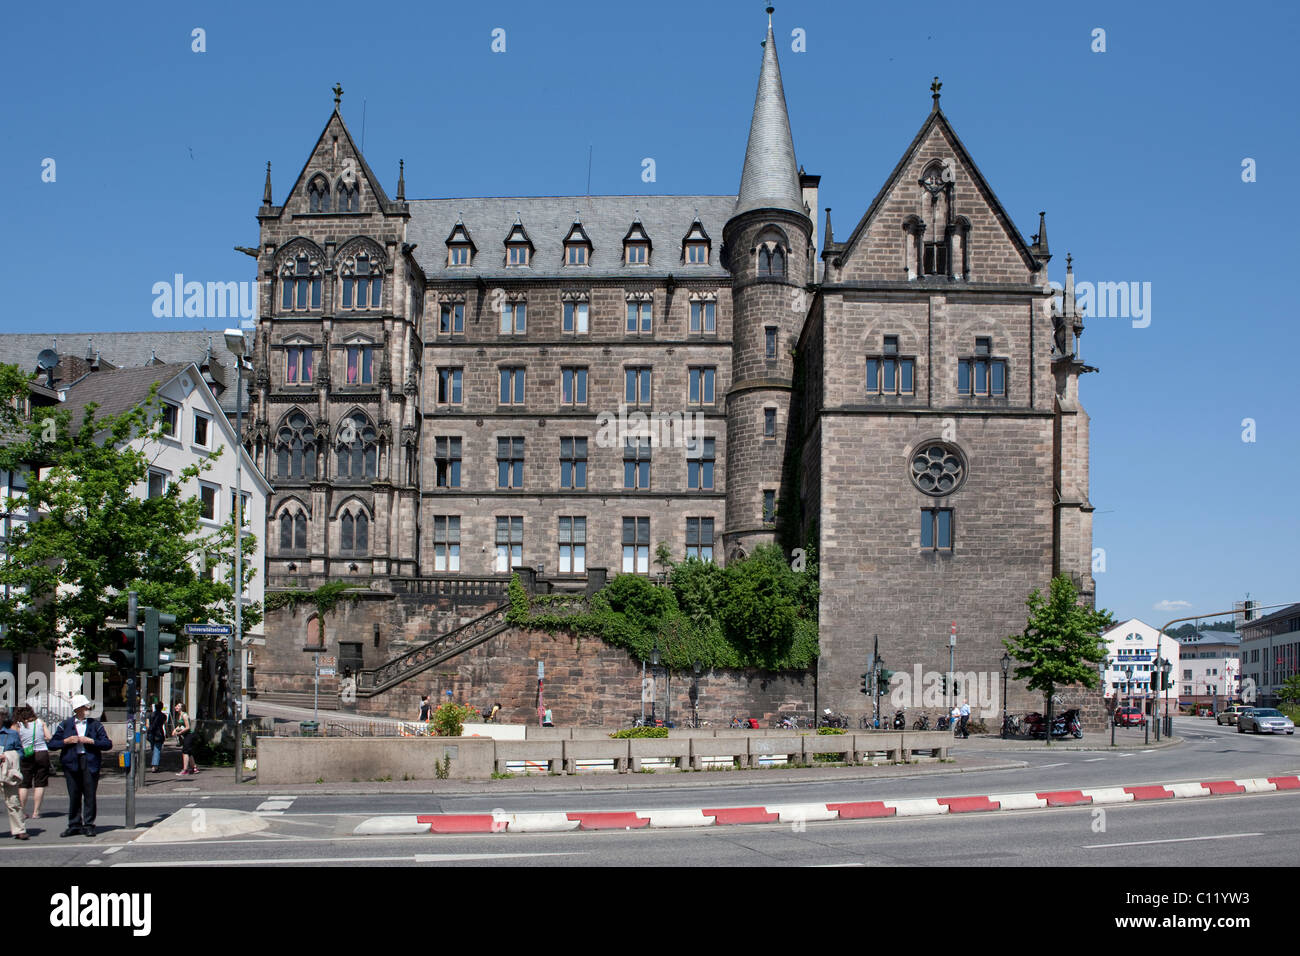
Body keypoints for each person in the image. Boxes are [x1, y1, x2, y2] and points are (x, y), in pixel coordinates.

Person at [48, 694, 113, 838]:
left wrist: (91, 741)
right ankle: (74, 824)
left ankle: (89, 824)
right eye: (85, 707)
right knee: (74, 794)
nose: (88, 709)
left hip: (89, 761)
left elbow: (107, 744)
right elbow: (52, 744)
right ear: (78, 709)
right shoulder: (65, 724)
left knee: (89, 795)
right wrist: (66, 741)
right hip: (71, 761)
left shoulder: (95, 724)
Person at [15, 705, 51, 819]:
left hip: (26, 753)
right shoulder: (40, 722)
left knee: (24, 784)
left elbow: (16, 739)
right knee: (40, 783)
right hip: (41, 753)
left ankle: (21, 811)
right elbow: (49, 736)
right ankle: (36, 812)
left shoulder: (18, 725)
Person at [0, 711, 28, 840]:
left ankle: (19, 830)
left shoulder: (12, 734)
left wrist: (9, 756)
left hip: (8, 771)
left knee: (13, 801)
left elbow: (20, 751)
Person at [172, 702, 198, 776]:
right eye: (176, 705)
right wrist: (175, 730)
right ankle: (194, 768)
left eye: (178, 706)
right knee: (188, 752)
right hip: (185, 735)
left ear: (182, 708)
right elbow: (180, 725)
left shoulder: (185, 715)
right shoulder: (179, 715)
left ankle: (185, 769)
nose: (176, 707)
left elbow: (188, 727)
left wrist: (180, 733)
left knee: (185, 751)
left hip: (189, 735)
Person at [147, 702, 167, 773]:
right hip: (159, 734)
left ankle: (154, 764)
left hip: (151, 734)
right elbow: (164, 725)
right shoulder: (163, 716)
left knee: (153, 749)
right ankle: (155, 766)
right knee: (157, 750)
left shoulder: (150, 715)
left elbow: (147, 725)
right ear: (161, 707)